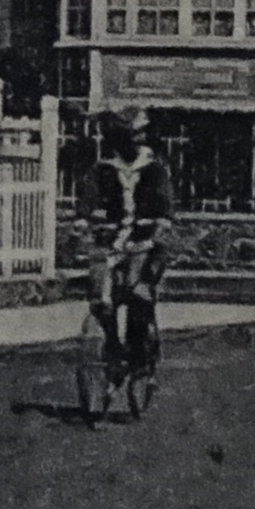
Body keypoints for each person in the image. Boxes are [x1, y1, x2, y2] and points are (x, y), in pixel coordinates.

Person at [76, 105, 177, 375]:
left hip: (146, 244)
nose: (137, 141)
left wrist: (158, 228)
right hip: (112, 243)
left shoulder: (155, 169)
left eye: (139, 135)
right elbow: (88, 198)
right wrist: (83, 219)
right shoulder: (103, 169)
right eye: (131, 136)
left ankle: (139, 354)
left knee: (138, 294)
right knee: (100, 299)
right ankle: (112, 344)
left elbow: (165, 209)